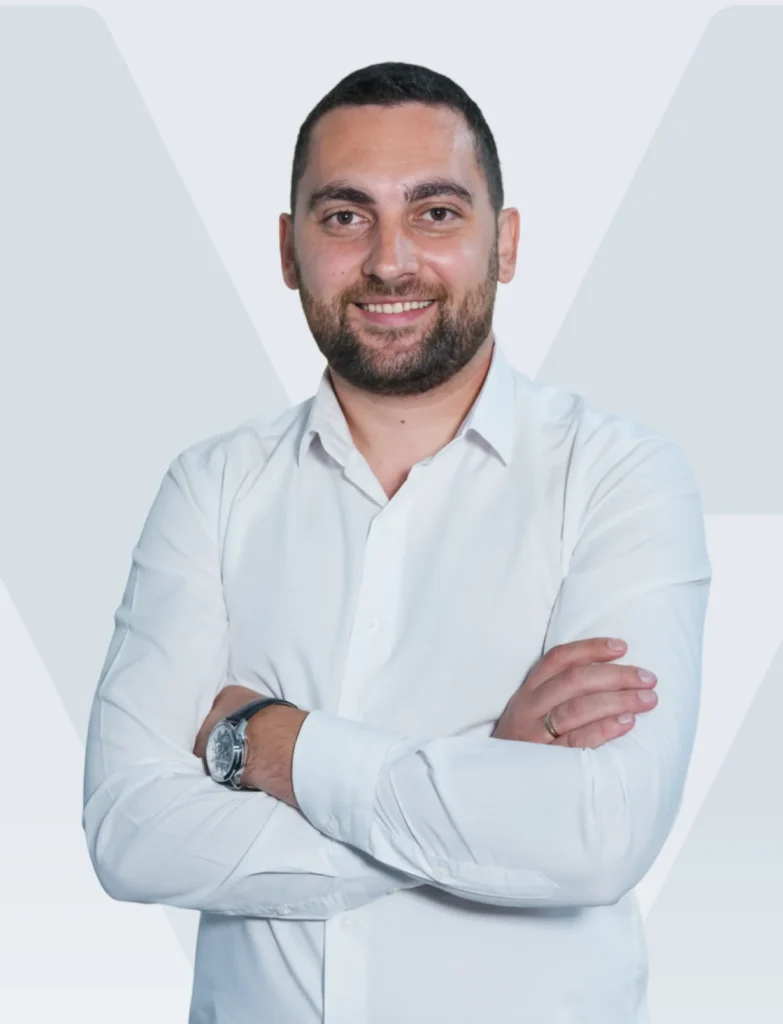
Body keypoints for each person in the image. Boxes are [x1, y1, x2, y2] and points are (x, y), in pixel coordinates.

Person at [82, 62, 712, 1024]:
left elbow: (598, 839)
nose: (387, 261)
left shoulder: (619, 478)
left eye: (435, 212)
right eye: (344, 216)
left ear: (504, 242)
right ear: (288, 249)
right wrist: (486, 785)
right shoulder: (209, 487)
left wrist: (274, 744)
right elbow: (130, 834)